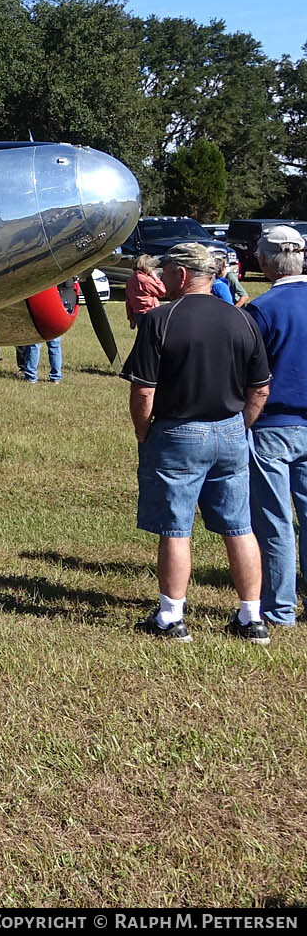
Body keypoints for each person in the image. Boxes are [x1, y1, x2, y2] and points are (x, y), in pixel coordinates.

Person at [121, 242, 271, 643]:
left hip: (178, 431)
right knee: (239, 526)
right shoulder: (242, 320)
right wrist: (240, 426)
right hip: (230, 430)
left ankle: (171, 616)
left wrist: (143, 431)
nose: (160, 277)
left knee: (175, 528)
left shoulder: (160, 320)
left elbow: (143, 392)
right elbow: (260, 388)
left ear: (183, 275)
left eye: (165, 270)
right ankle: (251, 617)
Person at [245, 224, 307, 628]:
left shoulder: (262, 310)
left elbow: (250, 376)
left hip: (273, 425)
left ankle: (280, 608)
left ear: (265, 262)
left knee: (275, 521)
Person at [125, 254, 165, 328]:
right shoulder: (145, 280)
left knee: (143, 336)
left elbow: (128, 301)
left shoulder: (130, 280)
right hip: (150, 312)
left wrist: (131, 318)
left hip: (137, 313)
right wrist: (155, 278)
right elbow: (162, 292)